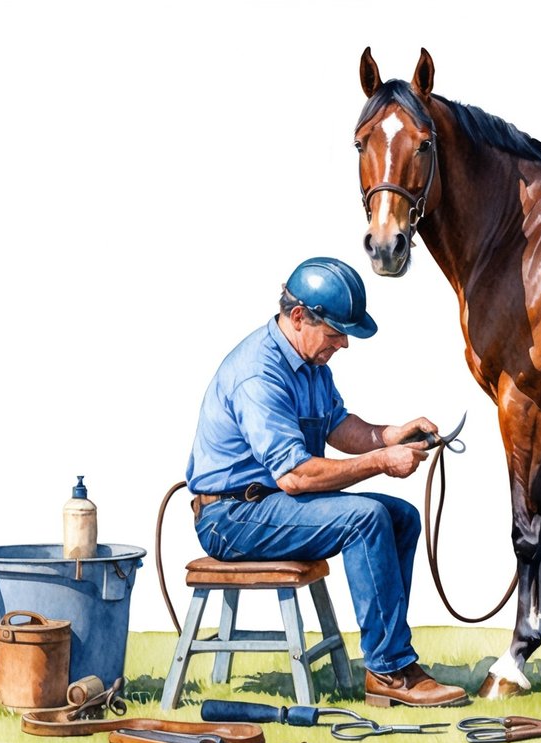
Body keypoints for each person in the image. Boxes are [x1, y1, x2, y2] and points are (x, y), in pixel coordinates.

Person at [186, 256, 468, 708]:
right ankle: (390, 670)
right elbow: (296, 475)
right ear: (300, 317)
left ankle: (391, 657)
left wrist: (390, 434)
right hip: (231, 516)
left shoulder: (310, 362)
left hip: (266, 506)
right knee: (366, 517)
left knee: (401, 517)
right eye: (336, 333)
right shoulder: (259, 373)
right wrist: (381, 459)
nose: (343, 344)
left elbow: (336, 425)